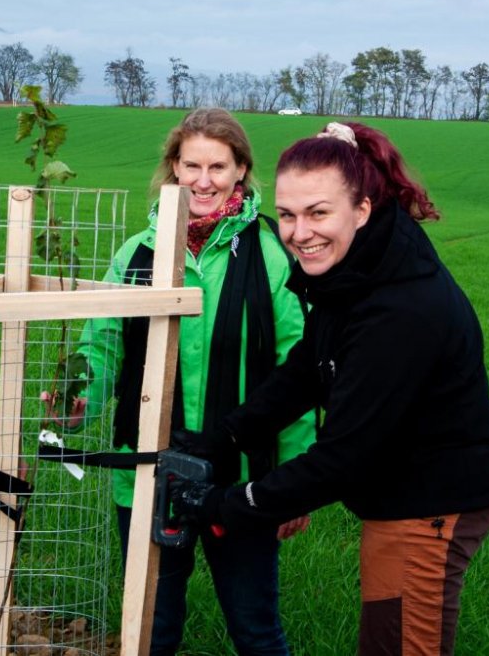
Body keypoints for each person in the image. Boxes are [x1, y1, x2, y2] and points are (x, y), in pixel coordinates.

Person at [173, 121, 489, 656]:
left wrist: (224, 505)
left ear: (362, 209)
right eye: (287, 214)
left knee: (399, 645)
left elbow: (343, 458)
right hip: (401, 492)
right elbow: (309, 367)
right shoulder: (359, 268)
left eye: (318, 212)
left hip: (430, 503)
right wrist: (226, 437)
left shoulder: (397, 310)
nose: (299, 232)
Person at [74, 107, 313, 656]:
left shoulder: (273, 254)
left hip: (242, 480)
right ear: (172, 169)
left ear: (241, 170)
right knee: (150, 629)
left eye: (218, 166)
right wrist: (78, 400)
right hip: (146, 475)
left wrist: (297, 478)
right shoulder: (137, 252)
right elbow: (103, 341)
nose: (203, 180)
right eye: (191, 165)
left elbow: (296, 371)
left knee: (255, 628)